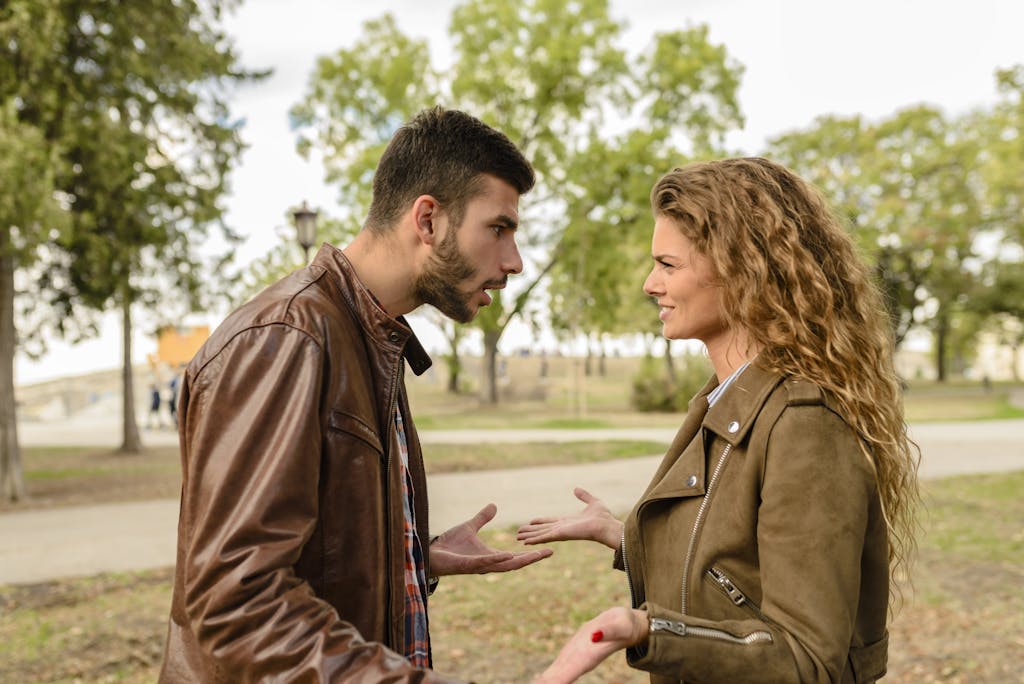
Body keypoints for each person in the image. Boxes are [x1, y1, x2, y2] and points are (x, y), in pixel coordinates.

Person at [159, 106, 552, 682]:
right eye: (499, 228)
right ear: (428, 220)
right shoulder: (287, 339)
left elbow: (314, 557)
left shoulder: (371, 337)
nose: (514, 262)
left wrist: (415, 559)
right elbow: (235, 603)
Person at [523, 158, 920, 683]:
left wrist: (647, 631)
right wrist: (625, 538)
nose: (649, 284)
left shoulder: (805, 423)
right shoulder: (726, 400)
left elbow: (806, 659)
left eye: (668, 264)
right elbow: (732, 570)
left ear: (742, 270)